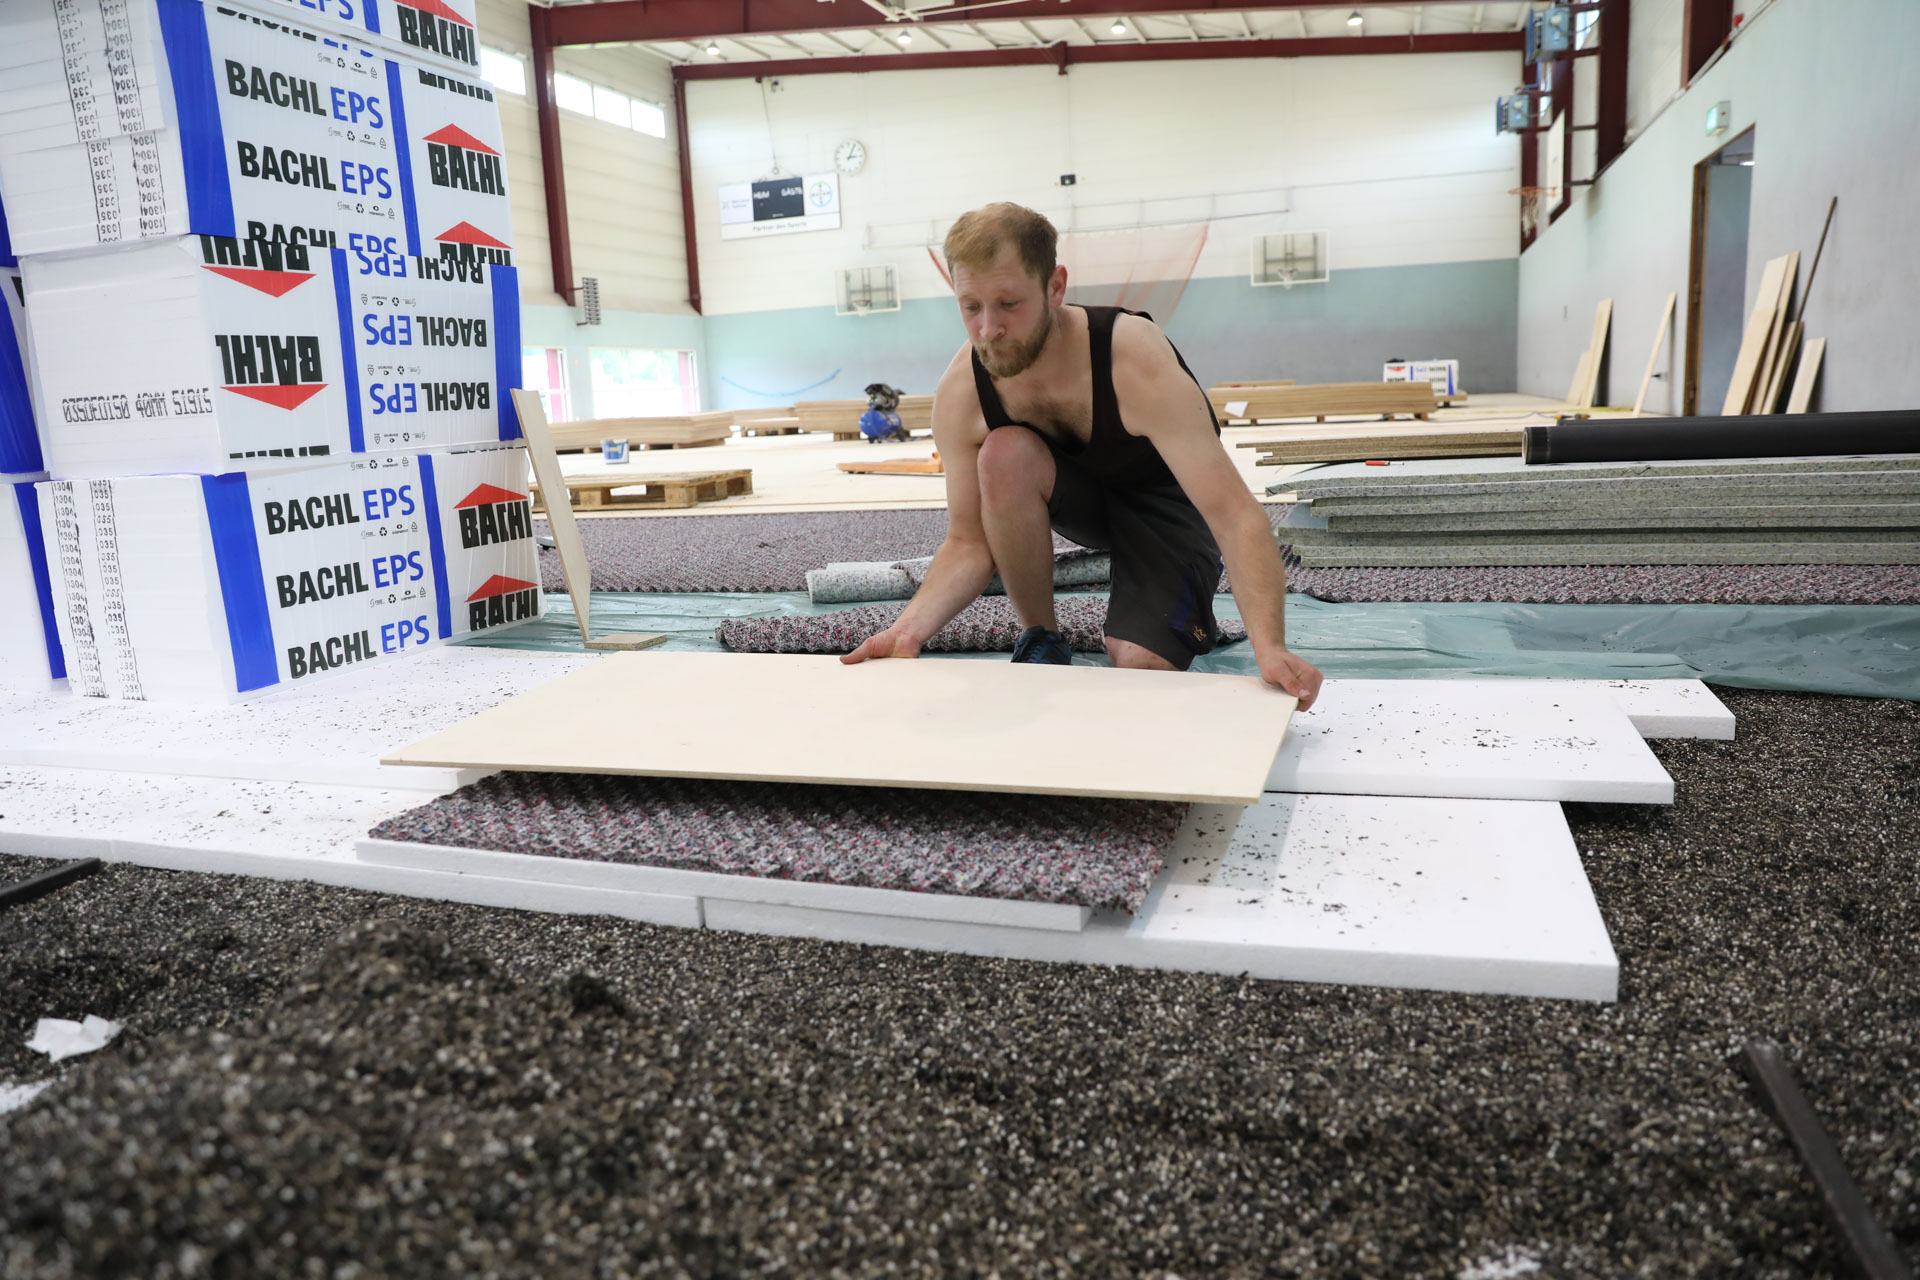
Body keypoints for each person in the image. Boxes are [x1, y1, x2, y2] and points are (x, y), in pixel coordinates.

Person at [841, 202, 1323, 710]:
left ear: (1055, 287)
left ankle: (1160, 603)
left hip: (1167, 508)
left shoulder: (1130, 358)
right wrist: (906, 631)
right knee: (1003, 453)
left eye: (1009, 303)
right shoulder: (964, 392)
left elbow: (1235, 515)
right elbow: (968, 542)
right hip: (1083, 505)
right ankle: (1041, 635)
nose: (988, 329)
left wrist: (1270, 647)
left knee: (1141, 664)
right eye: (971, 306)